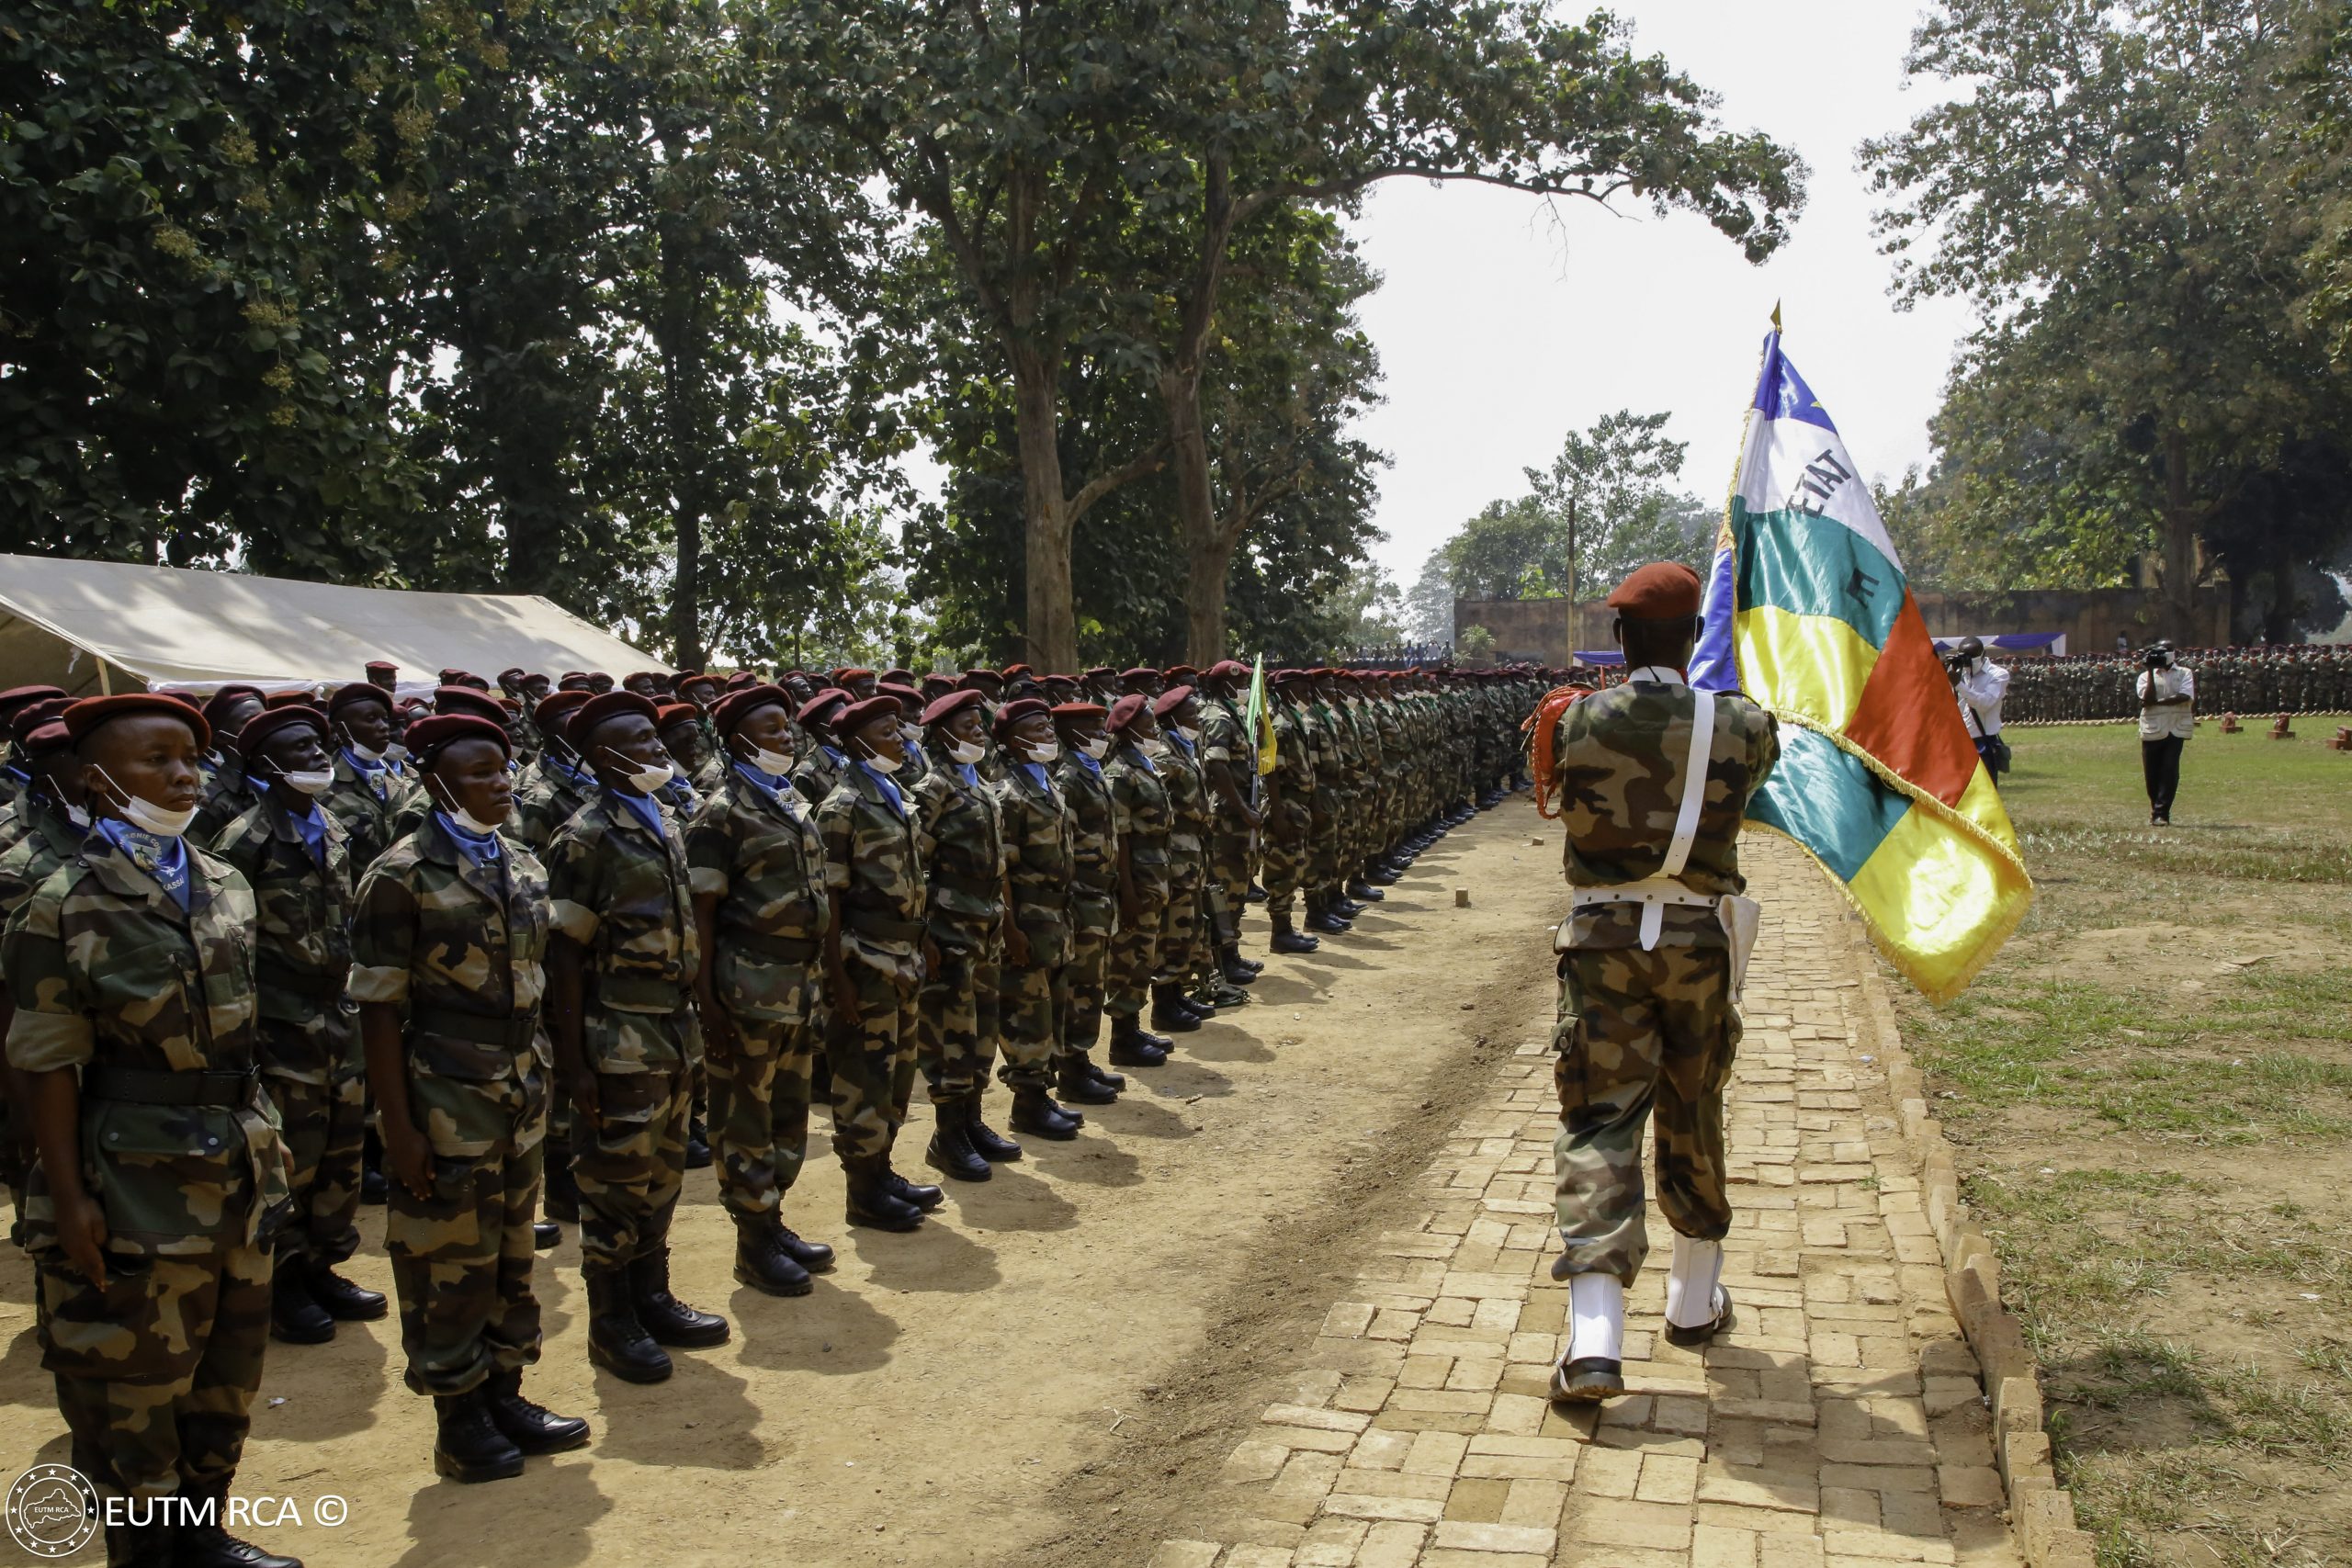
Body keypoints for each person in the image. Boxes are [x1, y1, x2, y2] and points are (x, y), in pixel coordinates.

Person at [3, 693, 301, 1568]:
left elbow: (246, 1027)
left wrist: (268, 1132)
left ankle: (201, 1535)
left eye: (189, 759)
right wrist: (68, 1197)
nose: (182, 775)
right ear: (97, 779)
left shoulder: (226, 882)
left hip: (234, 1163)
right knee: (134, 1384)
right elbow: (44, 1063)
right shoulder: (62, 902)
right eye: (155, 760)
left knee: (227, 1370)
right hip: (132, 1175)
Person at [1544, 562, 1780, 1405]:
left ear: (1619, 638)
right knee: (1694, 1104)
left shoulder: (1573, 720)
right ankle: (1691, 1300)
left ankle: (1594, 1339)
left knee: (1600, 1119)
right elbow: (1753, 782)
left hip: (1603, 944)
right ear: (1695, 637)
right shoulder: (1743, 724)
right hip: (1698, 943)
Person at [346, 713, 589, 1483]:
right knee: (448, 1257)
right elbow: (377, 1007)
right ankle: (458, 1415)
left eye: (502, 768)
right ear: (436, 781)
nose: (499, 783)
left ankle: (504, 1391)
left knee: (512, 1248)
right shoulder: (401, 874)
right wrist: (397, 1126)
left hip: (519, 1083)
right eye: (479, 772)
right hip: (445, 1089)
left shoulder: (520, 861)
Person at [543, 690, 729, 1383]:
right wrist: (574, 1064)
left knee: (663, 1172)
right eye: (640, 743)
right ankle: (611, 1319)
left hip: (670, 1029)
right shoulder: (586, 837)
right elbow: (563, 955)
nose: (657, 750)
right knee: (614, 1182)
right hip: (617, 1033)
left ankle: (652, 1294)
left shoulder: (664, 818)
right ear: (602, 757)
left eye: (655, 738)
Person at [209, 705, 386, 1347]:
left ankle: (321, 1264)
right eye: (300, 748)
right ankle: (281, 1279)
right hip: (281, 1024)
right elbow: (228, 946)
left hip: (337, 1015)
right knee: (294, 1157)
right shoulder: (244, 840)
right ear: (265, 763)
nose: (317, 755)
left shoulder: (329, 824)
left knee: (341, 1151)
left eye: (318, 744)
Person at [684, 684, 839, 1296]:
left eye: (786, 726)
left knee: (787, 1113)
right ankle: (752, 1242)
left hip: (796, 986)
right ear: (738, 739)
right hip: (747, 988)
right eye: (771, 729)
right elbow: (701, 915)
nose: (786, 737)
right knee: (744, 1117)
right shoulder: (721, 813)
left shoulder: (789, 799)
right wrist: (707, 1001)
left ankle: (773, 1221)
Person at [818, 694, 944, 1230]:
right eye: (887, 732)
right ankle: (862, 1190)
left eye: (898, 729)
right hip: (863, 958)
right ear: (856, 742)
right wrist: (837, 977)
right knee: (864, 1078)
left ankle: (882, 1170)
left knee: (896, 1072)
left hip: (902, 954)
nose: (900, 739)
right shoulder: (842, 807)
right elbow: (829, 898)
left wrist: (923, 936)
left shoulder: (894, 793)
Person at [990, 698, 1091, 1139]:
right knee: (1026, 1012)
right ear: (1015, 742)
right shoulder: (1009, 794)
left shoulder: (1046, 782)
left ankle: (1043, 1092)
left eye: (1049, 727)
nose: (1049, 734)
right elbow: (1001, 870)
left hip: (1056, 914)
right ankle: (1026, 1103)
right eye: (1038, 729)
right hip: (1029, 916)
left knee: (1052, 1006)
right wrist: (1010, 928)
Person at [1048, 702, 1128, 1104]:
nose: (1102, 734)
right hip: (1081, 895)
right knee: (1079, 985)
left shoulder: (1091, 770)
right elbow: (1063, 846)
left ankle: (1080, 1059)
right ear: (1072, 733)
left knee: (1093, 982)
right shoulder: (1068, 778)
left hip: (1099, 892)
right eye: (1094, 728)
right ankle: (1070, 1069)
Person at [1100, 694, 1179, 1063]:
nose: (1155, 730)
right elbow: (1120, 837)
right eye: (1149, 725)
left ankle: (1132, 1026)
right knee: (1128, 958)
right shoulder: (1120, 772)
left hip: (1154, 871)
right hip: (1137, 876)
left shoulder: (1143, 764)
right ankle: (1122, 1038)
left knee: (1144, 955)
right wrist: (1127, 891)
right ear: (1130, 730)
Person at [2136, 639, 2195, 826]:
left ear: (2174, 652)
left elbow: (2184, 696)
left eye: (2167, 650)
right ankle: (2156, 808)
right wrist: (2150, 672)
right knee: (2152, 772)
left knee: (2169, 769)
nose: (2164, 653)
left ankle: (2162, 813)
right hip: (2152, 728)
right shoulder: (2144, 677)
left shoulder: (2185, 673)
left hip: (2176, 727)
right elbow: (2147, 698)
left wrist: (2157, 703)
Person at [1948, 637, 2012, 785]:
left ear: (1983, 655)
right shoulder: (1959, 673)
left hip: (1983, 741)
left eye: (1970, 657)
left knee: (1985, 789)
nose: (1966, 662)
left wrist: (1959, 685)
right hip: (1960, 740)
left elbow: (1984, 703)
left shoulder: (1998, 674)